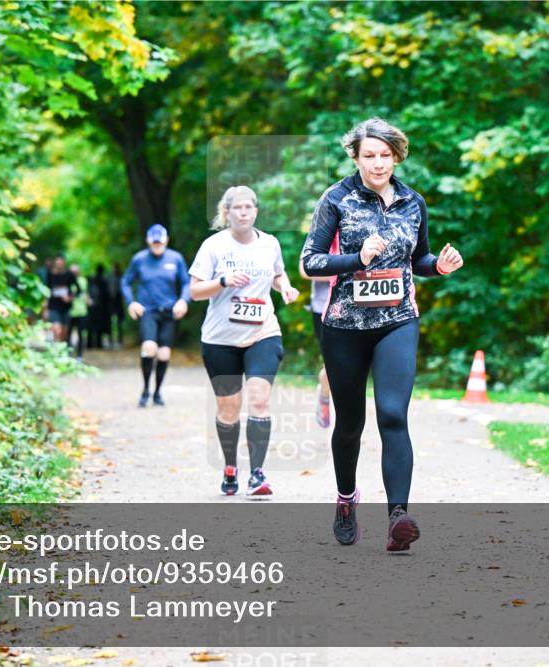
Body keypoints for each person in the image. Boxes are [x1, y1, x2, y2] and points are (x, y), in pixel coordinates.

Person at [301, 118, 464, 551]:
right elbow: (310, 262)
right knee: (350, 424)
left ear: (396, 156)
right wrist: (356, 257)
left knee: (393, 414)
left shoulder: (414, 202)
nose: (377, 163)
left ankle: (398, 517)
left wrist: (439, 267)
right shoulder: (336, 198)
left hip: (398, 320)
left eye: (385, 155)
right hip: (344, 327)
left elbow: (421, 258)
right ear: (355, 156)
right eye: (368, 155)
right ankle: (346, 499)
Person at [189, 186, 299, 497]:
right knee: (229, 409)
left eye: (249, 207)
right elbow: (195, 291)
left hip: (262, 332)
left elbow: (278, 274)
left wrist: (286, 288)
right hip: (219, 339)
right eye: (237, 207)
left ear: (256, 211)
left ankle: (258, 474)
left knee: (259, 399)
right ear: (226, 213)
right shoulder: (213, 246)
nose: (243, 212)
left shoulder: (270, 244)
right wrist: (223, 281)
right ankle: (230, 468)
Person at [121, 225, 191, 407]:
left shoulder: (176, 259)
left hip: (169, 312)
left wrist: (183, 300)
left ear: (166, 240)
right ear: (148, 241)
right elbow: (126, 282)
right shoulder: (139, 259)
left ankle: (158, 392)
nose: (157, 245)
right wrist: (131, 302)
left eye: (160, 241)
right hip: (148, 311)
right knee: (149, 347)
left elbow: (186, 283)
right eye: (154, 242)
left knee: (164, 354)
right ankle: (145, 390)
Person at [298, 251, 334, 429]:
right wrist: (347, 268)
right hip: (324, 308)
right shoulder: (322, 230)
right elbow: (305, 270)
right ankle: (325, 396)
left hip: (358, 306)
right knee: (333, 363)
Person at [45, 256, 76, 347]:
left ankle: (63, 349)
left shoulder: (69, 275)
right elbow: (46, 290)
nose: (59, 265)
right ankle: (56, 350)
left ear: (64, 264)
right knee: (56, 329)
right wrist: (45, 307)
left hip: (66, 307)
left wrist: (70, 297)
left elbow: (77, 289)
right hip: (53, 306)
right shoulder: (50, 274)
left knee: (64, 332)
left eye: (60, 263)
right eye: (57, 263)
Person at [67, 263, 90, 358]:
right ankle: (68, 353)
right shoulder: (67, 281)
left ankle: (80, 355)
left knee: (81, 334)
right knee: (68, 334)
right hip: (69, 312)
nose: (74, 273)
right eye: (72, 271)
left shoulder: (83, 280)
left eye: (76, 271)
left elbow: (86, 293)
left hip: (81, 311)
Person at [88, 264, 110, 350]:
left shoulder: (92, 280)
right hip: (100, 307)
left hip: (94, 307)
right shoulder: (103, 281)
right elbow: (107, 296)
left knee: (92, 326)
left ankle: (90, 344)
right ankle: (98, 344)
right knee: (98, 326)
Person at [107, 262, 125, 349]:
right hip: (112, 303)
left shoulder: (121, 277)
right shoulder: (111, 277)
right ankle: (112, 340)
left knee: (119, 323)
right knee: (111, 322)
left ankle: (119, 340)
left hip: (117, 303)